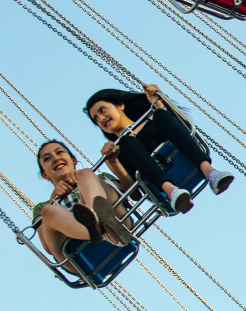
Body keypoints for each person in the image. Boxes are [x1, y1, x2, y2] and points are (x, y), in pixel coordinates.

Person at [83, 84, 234, 214]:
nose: (101, 119)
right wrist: (114, 162)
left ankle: (210, 172)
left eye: (102, 110)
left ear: (120, 105)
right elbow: (135, 195)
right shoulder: (117, 151)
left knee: (161, 115)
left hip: (188, 162)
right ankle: (172, 191)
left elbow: (185, 129)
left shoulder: (154, 118)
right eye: (96, 119)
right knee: (126, 141)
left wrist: (158, 101)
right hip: (162, 189)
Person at [32, 140, 133, 264]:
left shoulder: (97, 178)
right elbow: (48, 247)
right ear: (45, 174)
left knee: (86, 173)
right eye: (47, 158)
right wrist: (55, 199)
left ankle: (99, 221)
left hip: (119, 221)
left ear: (74, 160)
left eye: (59, 152)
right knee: (48, 211)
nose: (56, 158)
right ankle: (103, 233)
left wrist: (113, 161)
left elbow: (132, 193)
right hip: (78, 257)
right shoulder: (42, 207)